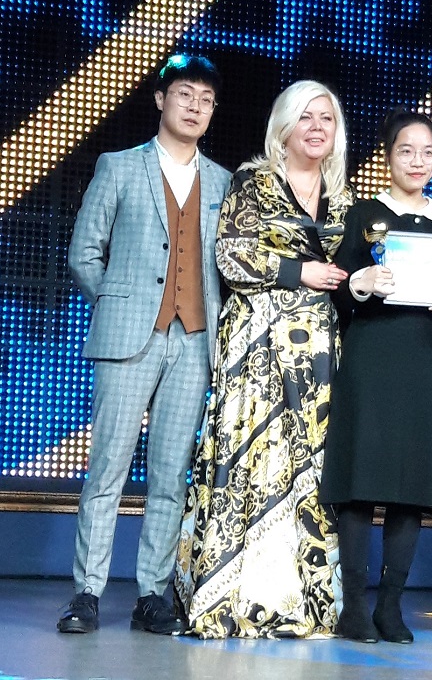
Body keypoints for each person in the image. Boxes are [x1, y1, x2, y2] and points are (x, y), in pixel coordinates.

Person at [57, 55, 232, 636]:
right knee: (107, 468)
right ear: (161, 99)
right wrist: (119, 305)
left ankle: (151, 593)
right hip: (130, 338)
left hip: (194, 343)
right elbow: (85, 253)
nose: (194, 107)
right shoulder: (119, 167)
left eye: (205, 100)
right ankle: (87, 591)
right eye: (184, 94)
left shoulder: (224, 183)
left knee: (170, 476)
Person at [175, 79, 353, 639]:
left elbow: (354, 273)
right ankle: (229, 597)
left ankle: (303, 603)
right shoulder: (254, 181)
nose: (317, 127)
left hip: (318, 356)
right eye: (306, 117)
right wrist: (300, 272)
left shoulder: (347, 199)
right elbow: (231, 256)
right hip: (255, 347)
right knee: (249, 459)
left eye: (326, 118)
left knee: (310, 468)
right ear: (285, 126)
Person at [320, 108, 432, 645]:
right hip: (372, 358)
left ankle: (390, 607)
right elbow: (339, 291)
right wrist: (359, 283)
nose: (417, 161)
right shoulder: (364, 214)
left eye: (427, 152)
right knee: (362, 482)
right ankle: (353, 608)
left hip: (426, 361)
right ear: (388, 157)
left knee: (411, 486)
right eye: (406, 151)